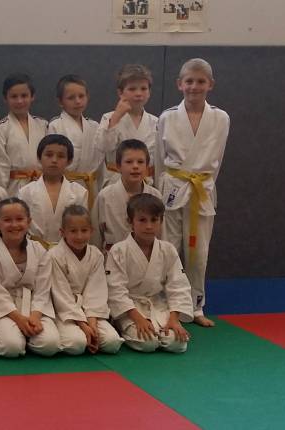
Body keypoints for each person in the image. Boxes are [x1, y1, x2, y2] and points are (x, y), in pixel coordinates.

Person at [155, 58, 229, 327]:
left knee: (198, 253)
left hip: (202, 188)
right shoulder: (167, 117)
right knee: (169, 248)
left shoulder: (220, 118)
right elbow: (159, 160)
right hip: (172, 187)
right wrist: (159, 191)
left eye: (200, 81)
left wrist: (204, 184)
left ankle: (197, 305)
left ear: (210, 84)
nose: (194, 86)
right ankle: (169, 304)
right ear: (179, 84)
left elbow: (218, 158)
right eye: (189, 81)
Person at [106, 194, 193, 352]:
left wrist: (174, 319)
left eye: (154, 220)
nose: (149, 226)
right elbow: (115, 290)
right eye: (142, 220)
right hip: (130, 309)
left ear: (161, 221)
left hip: (157, 305)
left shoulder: (168, 250)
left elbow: (178, 286)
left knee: (177, 343)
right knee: (148, 343)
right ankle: (121, 326)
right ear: (130, 222)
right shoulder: (118, 251)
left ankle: (162, 326)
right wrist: (138, 319)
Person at [0, 198, 60, 357]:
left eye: (19, 219)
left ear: (29, 222)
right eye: (7, 220)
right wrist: (19, 319)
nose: (14, 225)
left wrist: (35, 316)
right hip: (4, 310)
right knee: (11, 347)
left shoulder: (38, 249)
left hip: (34, 307)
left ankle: (26, 335)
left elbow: (43, 288)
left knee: (51, 345)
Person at [46, 205, 124, 355]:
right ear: (62, 232)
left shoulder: (96, 255)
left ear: (91, 231)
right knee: (77, 344)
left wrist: (92, 324)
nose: (79, 236)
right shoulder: (54, 255)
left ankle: (89, 332)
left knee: (112, 342)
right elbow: (61, 295)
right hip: (64, 313)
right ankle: (80, 334)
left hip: (90, 312)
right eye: (73, 231)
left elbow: (96, 291)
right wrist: (83, 325)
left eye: (84, 230)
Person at [16, 134, 88, 247]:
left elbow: (82, 228)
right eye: (49, 155)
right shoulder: (25, 192)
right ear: (39, 158)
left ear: (69, 161)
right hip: (34, 251)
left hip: (68, 250)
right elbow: (20, 228)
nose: (54, 160)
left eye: (61, 156)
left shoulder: (79, 192)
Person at [95, 64, 158, 187]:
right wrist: (117, 117)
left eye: (143, 88)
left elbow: (158, 159)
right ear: (120, 92)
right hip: (116, 182)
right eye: (132, 89)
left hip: (146, 183)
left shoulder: (156, 122)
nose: (138, 93)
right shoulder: (109, 117)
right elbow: (103, 146)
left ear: (149, 92)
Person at [93, 139, 161, 251]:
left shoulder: (155, 195)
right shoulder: (105, 196)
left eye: (140, 162)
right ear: (118, 166)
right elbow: (95, 237)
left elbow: (161, 236)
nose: (135, 166)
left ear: (147, 166)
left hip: (146, 257)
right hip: (113, 258)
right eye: (129, 162)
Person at [47, 75, 102, 208]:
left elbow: (101, 161)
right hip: (67, 185)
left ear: (87, 97)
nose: (77, 101)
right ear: (60, 102)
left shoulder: (94, 126)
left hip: (92, 185)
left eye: (81, 96)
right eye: (71, 98)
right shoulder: (56, 125)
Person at [0, 73, 49, 196]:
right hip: (13, 188)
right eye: (14, 96)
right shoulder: (1, 128)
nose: (19, 101)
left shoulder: (43, 125)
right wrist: (1, 194)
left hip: (41, 185)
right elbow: (1, 165)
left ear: (32, 96)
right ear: (5, 98)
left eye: (24, 96)